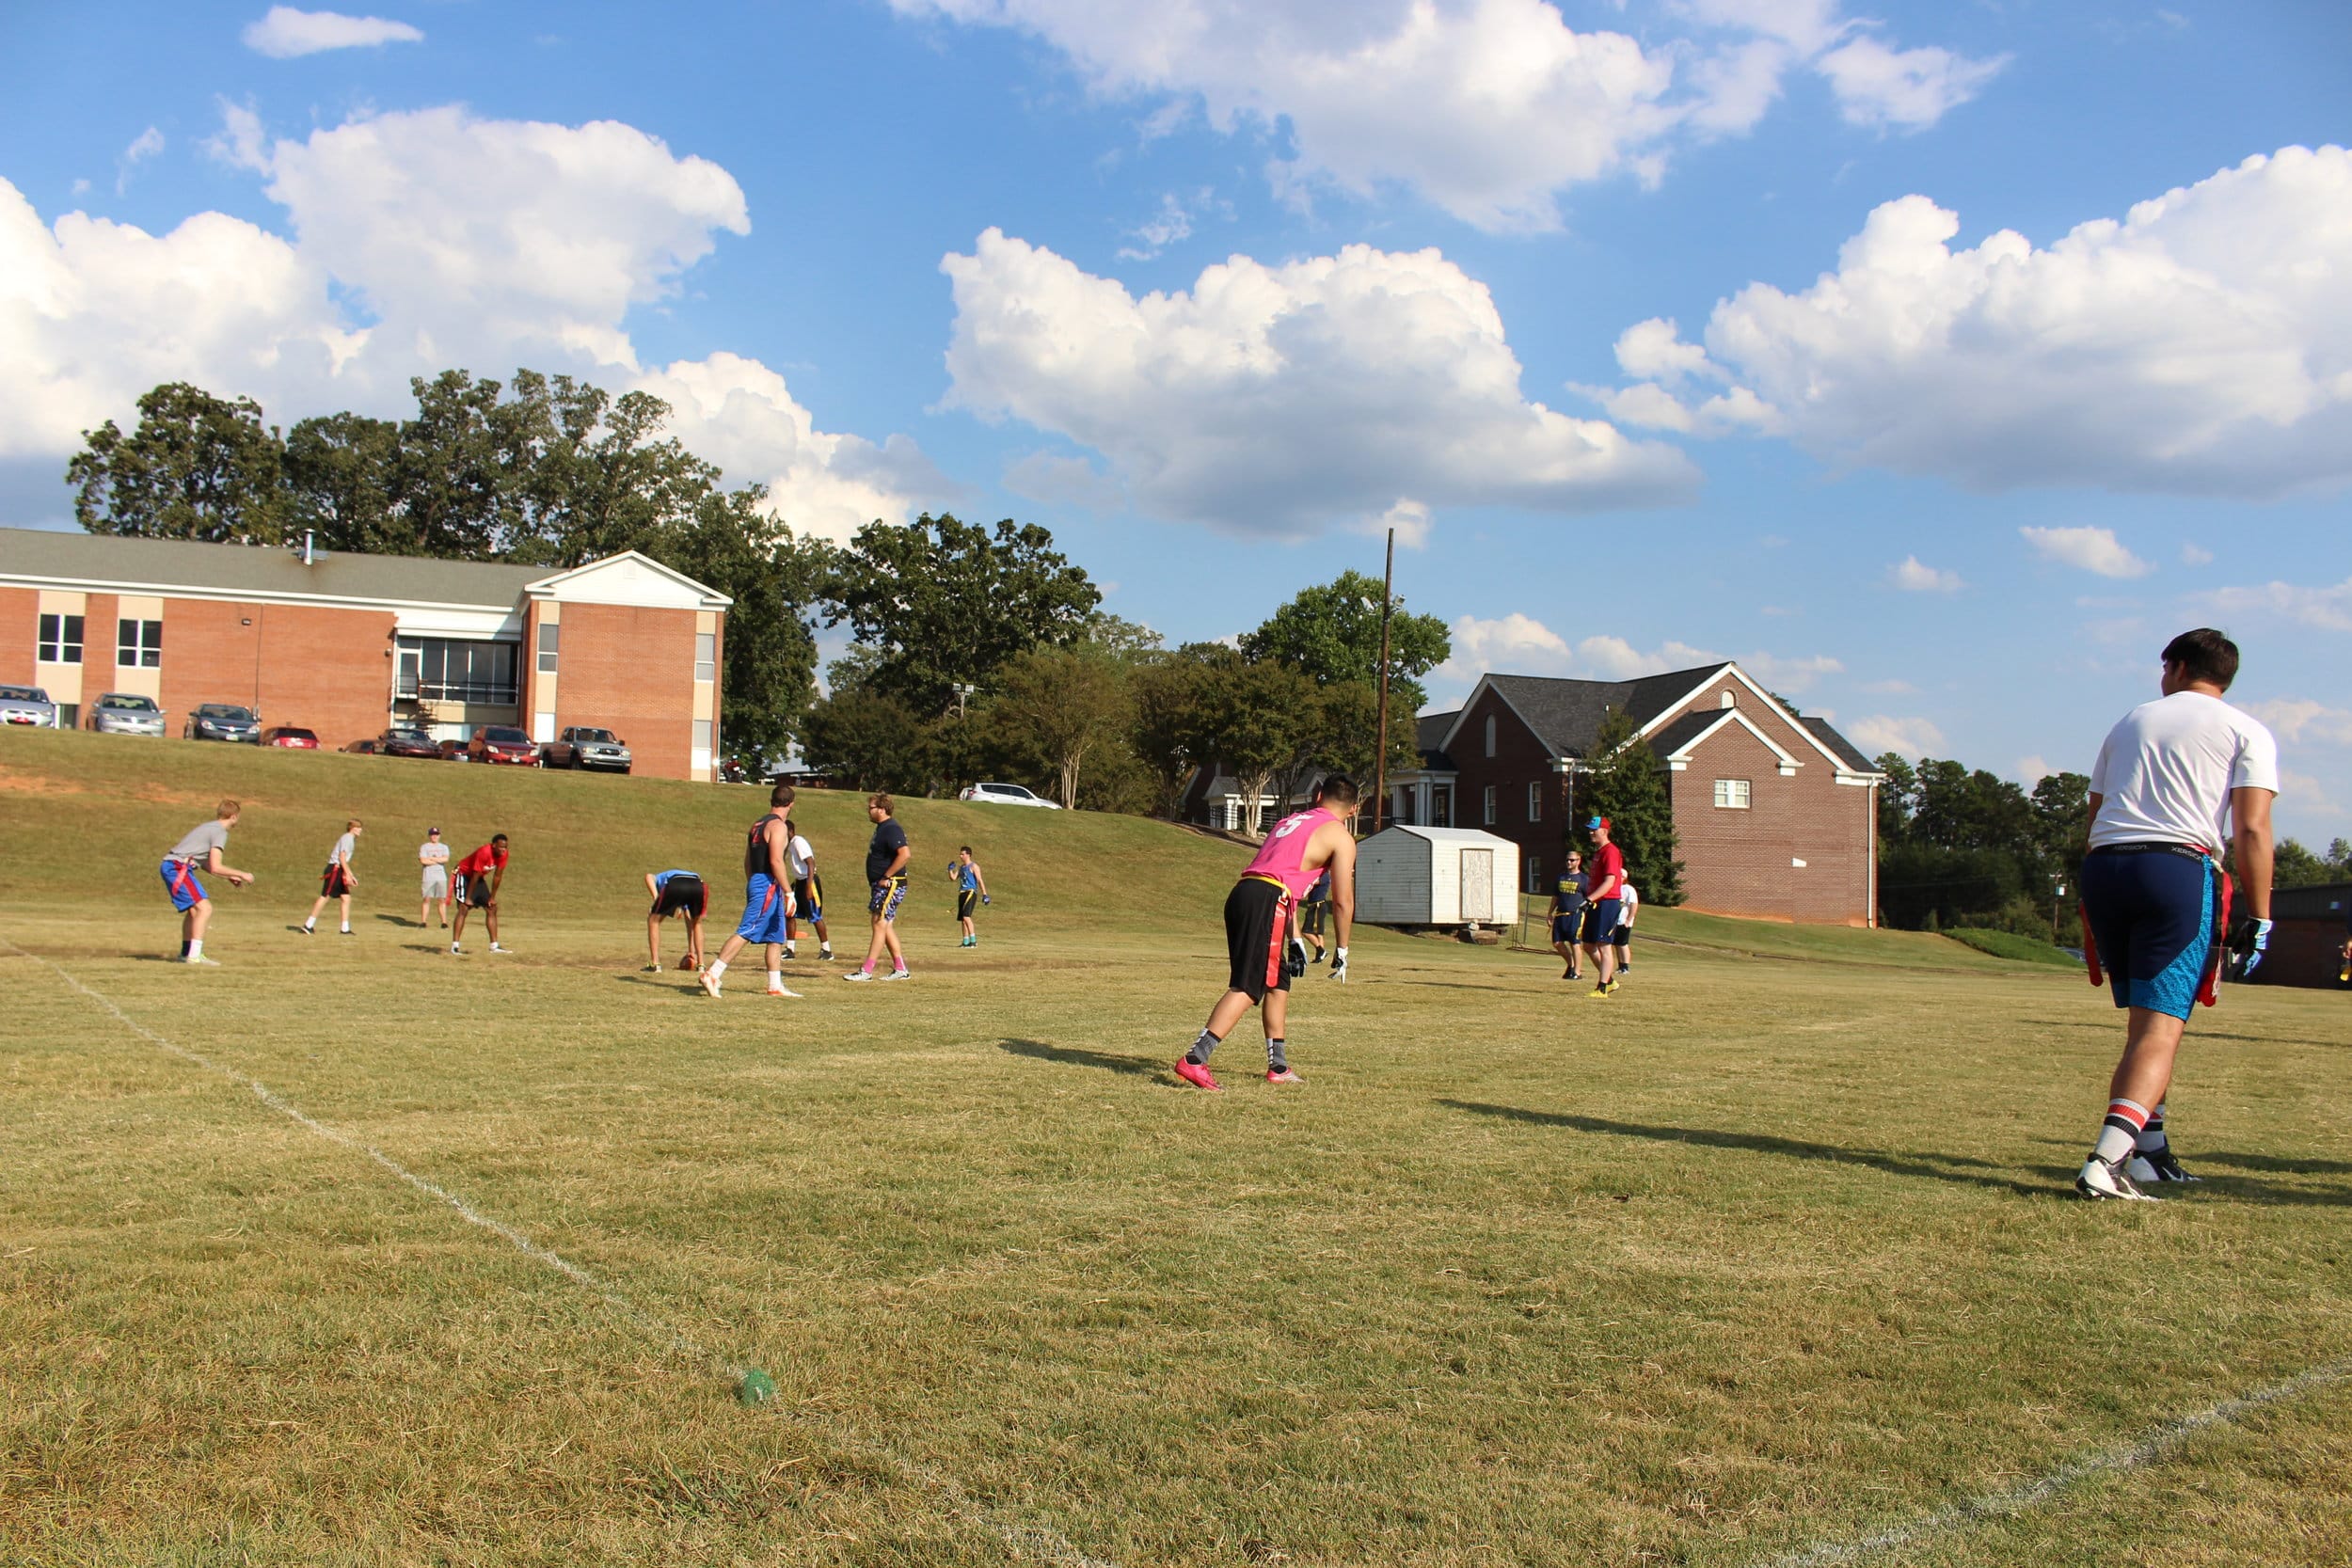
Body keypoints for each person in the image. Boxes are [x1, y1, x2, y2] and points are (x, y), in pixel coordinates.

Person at [2074, 628, 2277, 1202]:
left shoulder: (2131, 720)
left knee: (2148, 1024)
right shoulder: (2246, 730)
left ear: (2179, 666)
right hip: (2177, 871)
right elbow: (2253, 828)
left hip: (2107, 867)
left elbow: (2096, 811)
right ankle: (2105, 1162)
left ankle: (2150, 1153)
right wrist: (2260, 916)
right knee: (2161, 1027)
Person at [1176, 775, 1360, 1090]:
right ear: (1355, 809)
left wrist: (1296, 938)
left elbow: (1278, 875)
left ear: (1317, 796)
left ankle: (1278, 1066)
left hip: (1244, 893)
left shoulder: (1290, 821)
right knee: (1250, 984)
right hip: (1269, 900)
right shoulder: (1340, 836)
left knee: (1277, 978)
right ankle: (1195, 1059)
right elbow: (1342, 901)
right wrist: (1342, 949)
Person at [701, 783, 800, 998]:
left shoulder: (757, 824)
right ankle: (713, 973)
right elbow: (775, 860)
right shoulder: (778, 826)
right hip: (768, 883)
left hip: (758, 880)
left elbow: (747, 860)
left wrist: (752, 881)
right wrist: (788, 892)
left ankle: (775, 985)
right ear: (791, 804)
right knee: (747, 929)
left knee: (776, 934)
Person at [160, 799, 254, 965]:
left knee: (195, 911)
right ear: (233, 816)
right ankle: (194, 956)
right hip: (177, 868)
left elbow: (205, 864)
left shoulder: (208, 827)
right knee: (205, 908)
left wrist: (230, 877)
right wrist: (243, 874)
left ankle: (186, 953)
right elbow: (217, 866)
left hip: (174, 866)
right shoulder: (220, 832)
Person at [846, 793, 912, 981]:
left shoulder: (891, 828)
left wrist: (886, 876)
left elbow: (905, 854)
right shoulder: (882, 828)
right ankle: (900, 969)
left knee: (878, 922)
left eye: (872, 808)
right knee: (885, 925)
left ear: (882, 809)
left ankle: (866, 971)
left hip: (891, 884)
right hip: (881, 884)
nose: (869, 811)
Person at [1578, 816, 1626, 998]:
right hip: (1597, 903)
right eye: (1589, 829)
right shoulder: (1599, 852)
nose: (1590, 832)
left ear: (1604, 831)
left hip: (1607, 902)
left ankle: (1602, 987)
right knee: (1589, 945)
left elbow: (1610, 881)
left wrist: (1589, 899)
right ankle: (1610, 980)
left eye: (1594, 830)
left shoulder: (1610, 852)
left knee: (1605, 945)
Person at [449, 833, 512, 956]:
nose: (503, 850)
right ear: (494, 845)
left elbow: (497, 876)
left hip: (478, 878)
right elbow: (475, 875)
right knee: (464, 908)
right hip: (464, 875)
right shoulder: (484, 852)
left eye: (505, 847)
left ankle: (494, 946)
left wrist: (492, 898)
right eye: (501, 847)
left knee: (491, 908)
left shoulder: (504, 855)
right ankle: (455, 947)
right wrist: (468, 898)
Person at [783, 817, 833, 962]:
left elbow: (810, 863)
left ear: (790, 831)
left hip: (808, 880)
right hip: (799, 881)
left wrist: (809, 886)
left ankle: (827, 950)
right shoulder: (790, 844)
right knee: (790, 913)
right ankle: (790, 949)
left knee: (815, 916)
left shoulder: (798, 841)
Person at [302, 818, 362, 936]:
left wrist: (348, 874)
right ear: (352, 828)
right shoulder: (348, 838)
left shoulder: (350, 839)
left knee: (346, 898)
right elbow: (342, 858)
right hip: (335, 869)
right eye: (358, 827)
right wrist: (349, 875)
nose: (360, 830)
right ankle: (308, 925)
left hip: (339, 869)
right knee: (325, 896)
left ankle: (345, 929)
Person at [644, 868, 709, 973]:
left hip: (676, 882)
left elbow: (648, 876)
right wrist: (690, 951)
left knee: (653, 920)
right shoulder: (684, 882)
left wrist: (656, 899)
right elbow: (689, 920)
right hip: (698, 885)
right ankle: (701, 965)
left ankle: (655, 964)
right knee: (696, 923)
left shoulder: (660, 878)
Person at [1549, 848, 1588, 980]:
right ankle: (1571, 964)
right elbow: (1556, 896)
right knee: (1557, 943)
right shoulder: (1561, 877)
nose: (1569, 862)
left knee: (1575, 943)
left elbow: (1590, 898)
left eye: (1572, 860)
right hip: (1560, 915)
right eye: (1567, 860)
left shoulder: (1584, 879)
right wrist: (1550, 913)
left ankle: (1577, 972)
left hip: (1575, 915)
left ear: (1578, 861)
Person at [950, 846, 990, 947]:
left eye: (962, 854)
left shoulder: (973, 866)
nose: (960, 856)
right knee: (963, 920)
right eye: (960, 854)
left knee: (966, 917)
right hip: (962, 893)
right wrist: (950, 870)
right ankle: (966, 941)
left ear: (968, 855)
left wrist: (985, 894)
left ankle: (973, 941)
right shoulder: (961, 868)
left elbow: (980, 880)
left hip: (970, 892)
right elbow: (953, 878)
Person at [418, 826, 451, 929]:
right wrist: (437, 859)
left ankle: (444, 922)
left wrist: (431, 859)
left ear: (439, 835)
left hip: (441, 877)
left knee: (441, 899)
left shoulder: (444, 847)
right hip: (428, 876)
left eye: (436, 835)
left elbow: (445, 859)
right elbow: (423, 861)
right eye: (432, 835)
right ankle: (423, 921)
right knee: (427, 899)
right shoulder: (424, 847)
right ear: (429, 836)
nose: (434, 836)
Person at [1297, 867, 1331, 963]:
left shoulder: (1324, 875)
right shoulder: (1321, 875)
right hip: (1314, 905)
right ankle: (1320, 956)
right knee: (1318, 933)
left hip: (1318, 905)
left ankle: (1321, 951)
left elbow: (1314, 882)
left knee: (1306, 931)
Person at [1613, 879, 1640, 975]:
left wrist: (1628, 920)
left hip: (1623, 921)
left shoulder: (1628, 889)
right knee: (1616, 944)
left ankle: (1625, 967)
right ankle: (1620, 966)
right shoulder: (1614, 887)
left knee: (1623, 944)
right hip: (1614, 922)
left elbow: (1633, 904)